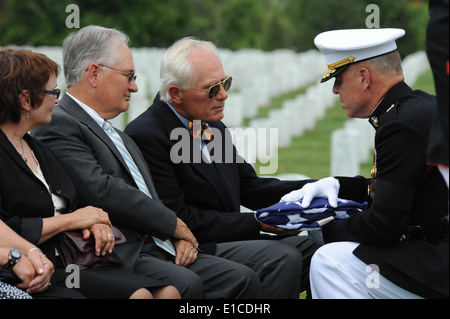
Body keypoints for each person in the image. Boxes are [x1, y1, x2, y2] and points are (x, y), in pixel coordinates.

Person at [32, 26, 260, 299]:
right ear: (94, 73)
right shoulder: (61, 123)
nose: (135, 86)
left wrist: (175, 235)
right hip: (119, 252)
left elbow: (149, 194)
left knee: (241, 278)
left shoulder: (118, 135)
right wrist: (173, 226)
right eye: (128, 76)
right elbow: (100, 188)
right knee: (192, 283)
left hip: (157, 243)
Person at [124, 37, 323, 298]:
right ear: (175, 94)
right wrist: (258, 222)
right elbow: (180, 216)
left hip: (230, 236)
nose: (224, 94)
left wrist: (317, 190)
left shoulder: (210, 125)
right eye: (212, 89)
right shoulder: (149, 134)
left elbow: (249, 187)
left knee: (315, 251)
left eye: (225, 83)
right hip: (195, 244)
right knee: (282, 257)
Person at [0, 47, 180, 299]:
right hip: (32, 266)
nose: (58, 100)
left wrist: (93, 223)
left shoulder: (37, 148)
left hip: (72, 255)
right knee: (140, 296)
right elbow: (10, 227)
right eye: (53, 92)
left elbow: (74, 204)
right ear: (25, 100)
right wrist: (74, 220)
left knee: (168, 293)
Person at [293, 28, 448, 298]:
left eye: (338, 79)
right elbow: (404, 185)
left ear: (364, 77)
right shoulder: (419, 107)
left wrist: (325, 227)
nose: (335, 90)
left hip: (440, 261)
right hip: (438, 246)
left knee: (329, 261)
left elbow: (383, 226)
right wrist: (337, 185)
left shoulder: (399, 125)